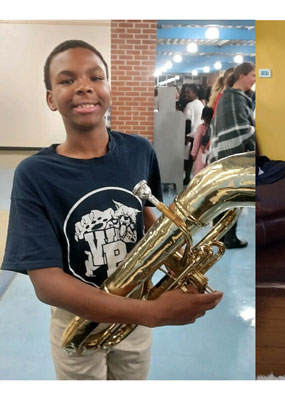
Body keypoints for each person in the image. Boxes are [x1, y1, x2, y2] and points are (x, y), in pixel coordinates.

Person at [1, 40, 222, 380]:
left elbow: (145, 220)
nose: (84, 86)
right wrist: (150, 313)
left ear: (108, 88)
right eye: (66, 80)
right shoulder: (35, 174)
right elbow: (46, 283)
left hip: (136, 311)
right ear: (50, 98)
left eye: (95, 76)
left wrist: (178, 270)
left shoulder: (139, 150)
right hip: (77, 318)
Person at [208, 62, 256, 249]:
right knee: (233, 197)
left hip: (227, 155)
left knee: (227, 197)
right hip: (233, 156)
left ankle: (222, 236)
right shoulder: (233, 98)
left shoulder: (232, 96)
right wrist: (255, 136)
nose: (253, 80)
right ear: (241, 76)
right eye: (252, 75)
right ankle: (228, 237)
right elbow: (240, 130)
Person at [190, 106, 213, 176]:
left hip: (201, 154)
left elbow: (196, 141)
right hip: (211, 153)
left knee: (199, 174)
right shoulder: (214, 127)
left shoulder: (201, 127)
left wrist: (193, 154)